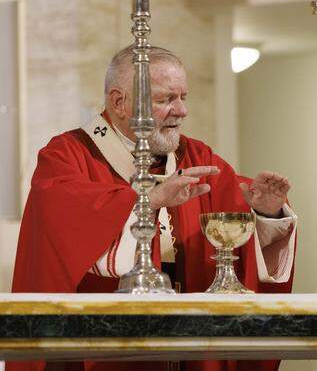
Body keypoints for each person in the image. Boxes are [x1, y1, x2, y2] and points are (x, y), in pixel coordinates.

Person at [10, 46, 298, 371]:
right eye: (166, 100)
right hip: (107, 350)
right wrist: (149, 201)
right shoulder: (69, 156)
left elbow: (233, 238)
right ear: (119, 102)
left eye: (183, 97)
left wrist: (266, 213)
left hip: (191, 348)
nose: (182, 111)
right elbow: (61, 231)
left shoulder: (196, 158)